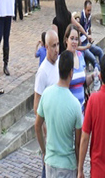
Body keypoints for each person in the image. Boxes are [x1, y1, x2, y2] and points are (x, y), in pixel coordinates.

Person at [35, 50, 83, 178]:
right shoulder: (75, 105)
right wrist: (80, 169)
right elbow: (78, 143)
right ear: (71, 72)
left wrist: (44, 151)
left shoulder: (46, 94)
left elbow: (37, 126)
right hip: (68, 165)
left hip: (50, 162)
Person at [33, 29, 61, 178]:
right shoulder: (42, 72)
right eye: (53, 46)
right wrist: (44, 127)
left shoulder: (59, 63)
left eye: (57, 45)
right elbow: (36, 106)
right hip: (50, 135)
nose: (57, 49)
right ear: (46, 48)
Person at [65, 24, 95, 111]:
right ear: (66, 40)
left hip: (82, 109)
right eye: (72, 38)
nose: (74, 42)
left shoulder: (80, 56)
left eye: (76, 39)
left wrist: (93, 76)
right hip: (69, 111)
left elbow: (84, 81)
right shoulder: (62, 59)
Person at [78, 0, 104, 70]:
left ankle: (103, 70)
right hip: (83, 46)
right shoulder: (80, 18)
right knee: (94, 60)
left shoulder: (89, 17)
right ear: (84, 9)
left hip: (87, 43)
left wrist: (90, 38)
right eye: (88, 10)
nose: (89, 12)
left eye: (90, 10)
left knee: (100, 51)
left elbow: (89, 29)